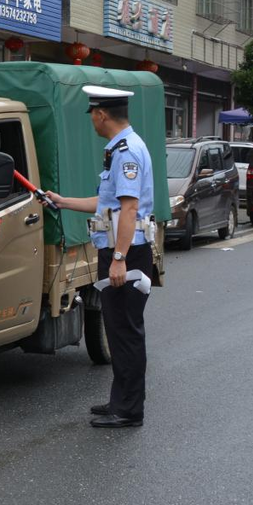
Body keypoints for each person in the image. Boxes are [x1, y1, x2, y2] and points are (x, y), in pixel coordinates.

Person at [45, 86, 155, 429]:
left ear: (101, 114)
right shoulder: (120, 149)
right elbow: (105, 203)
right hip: (120, 250)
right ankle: (120, 401)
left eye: (93, 114)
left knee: (126, 333)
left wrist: (119, 258)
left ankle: (130, 410)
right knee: (119, 330)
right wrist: (63, 201)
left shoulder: (127, 152)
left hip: (128, 253)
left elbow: (129, 208)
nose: (92, 120)